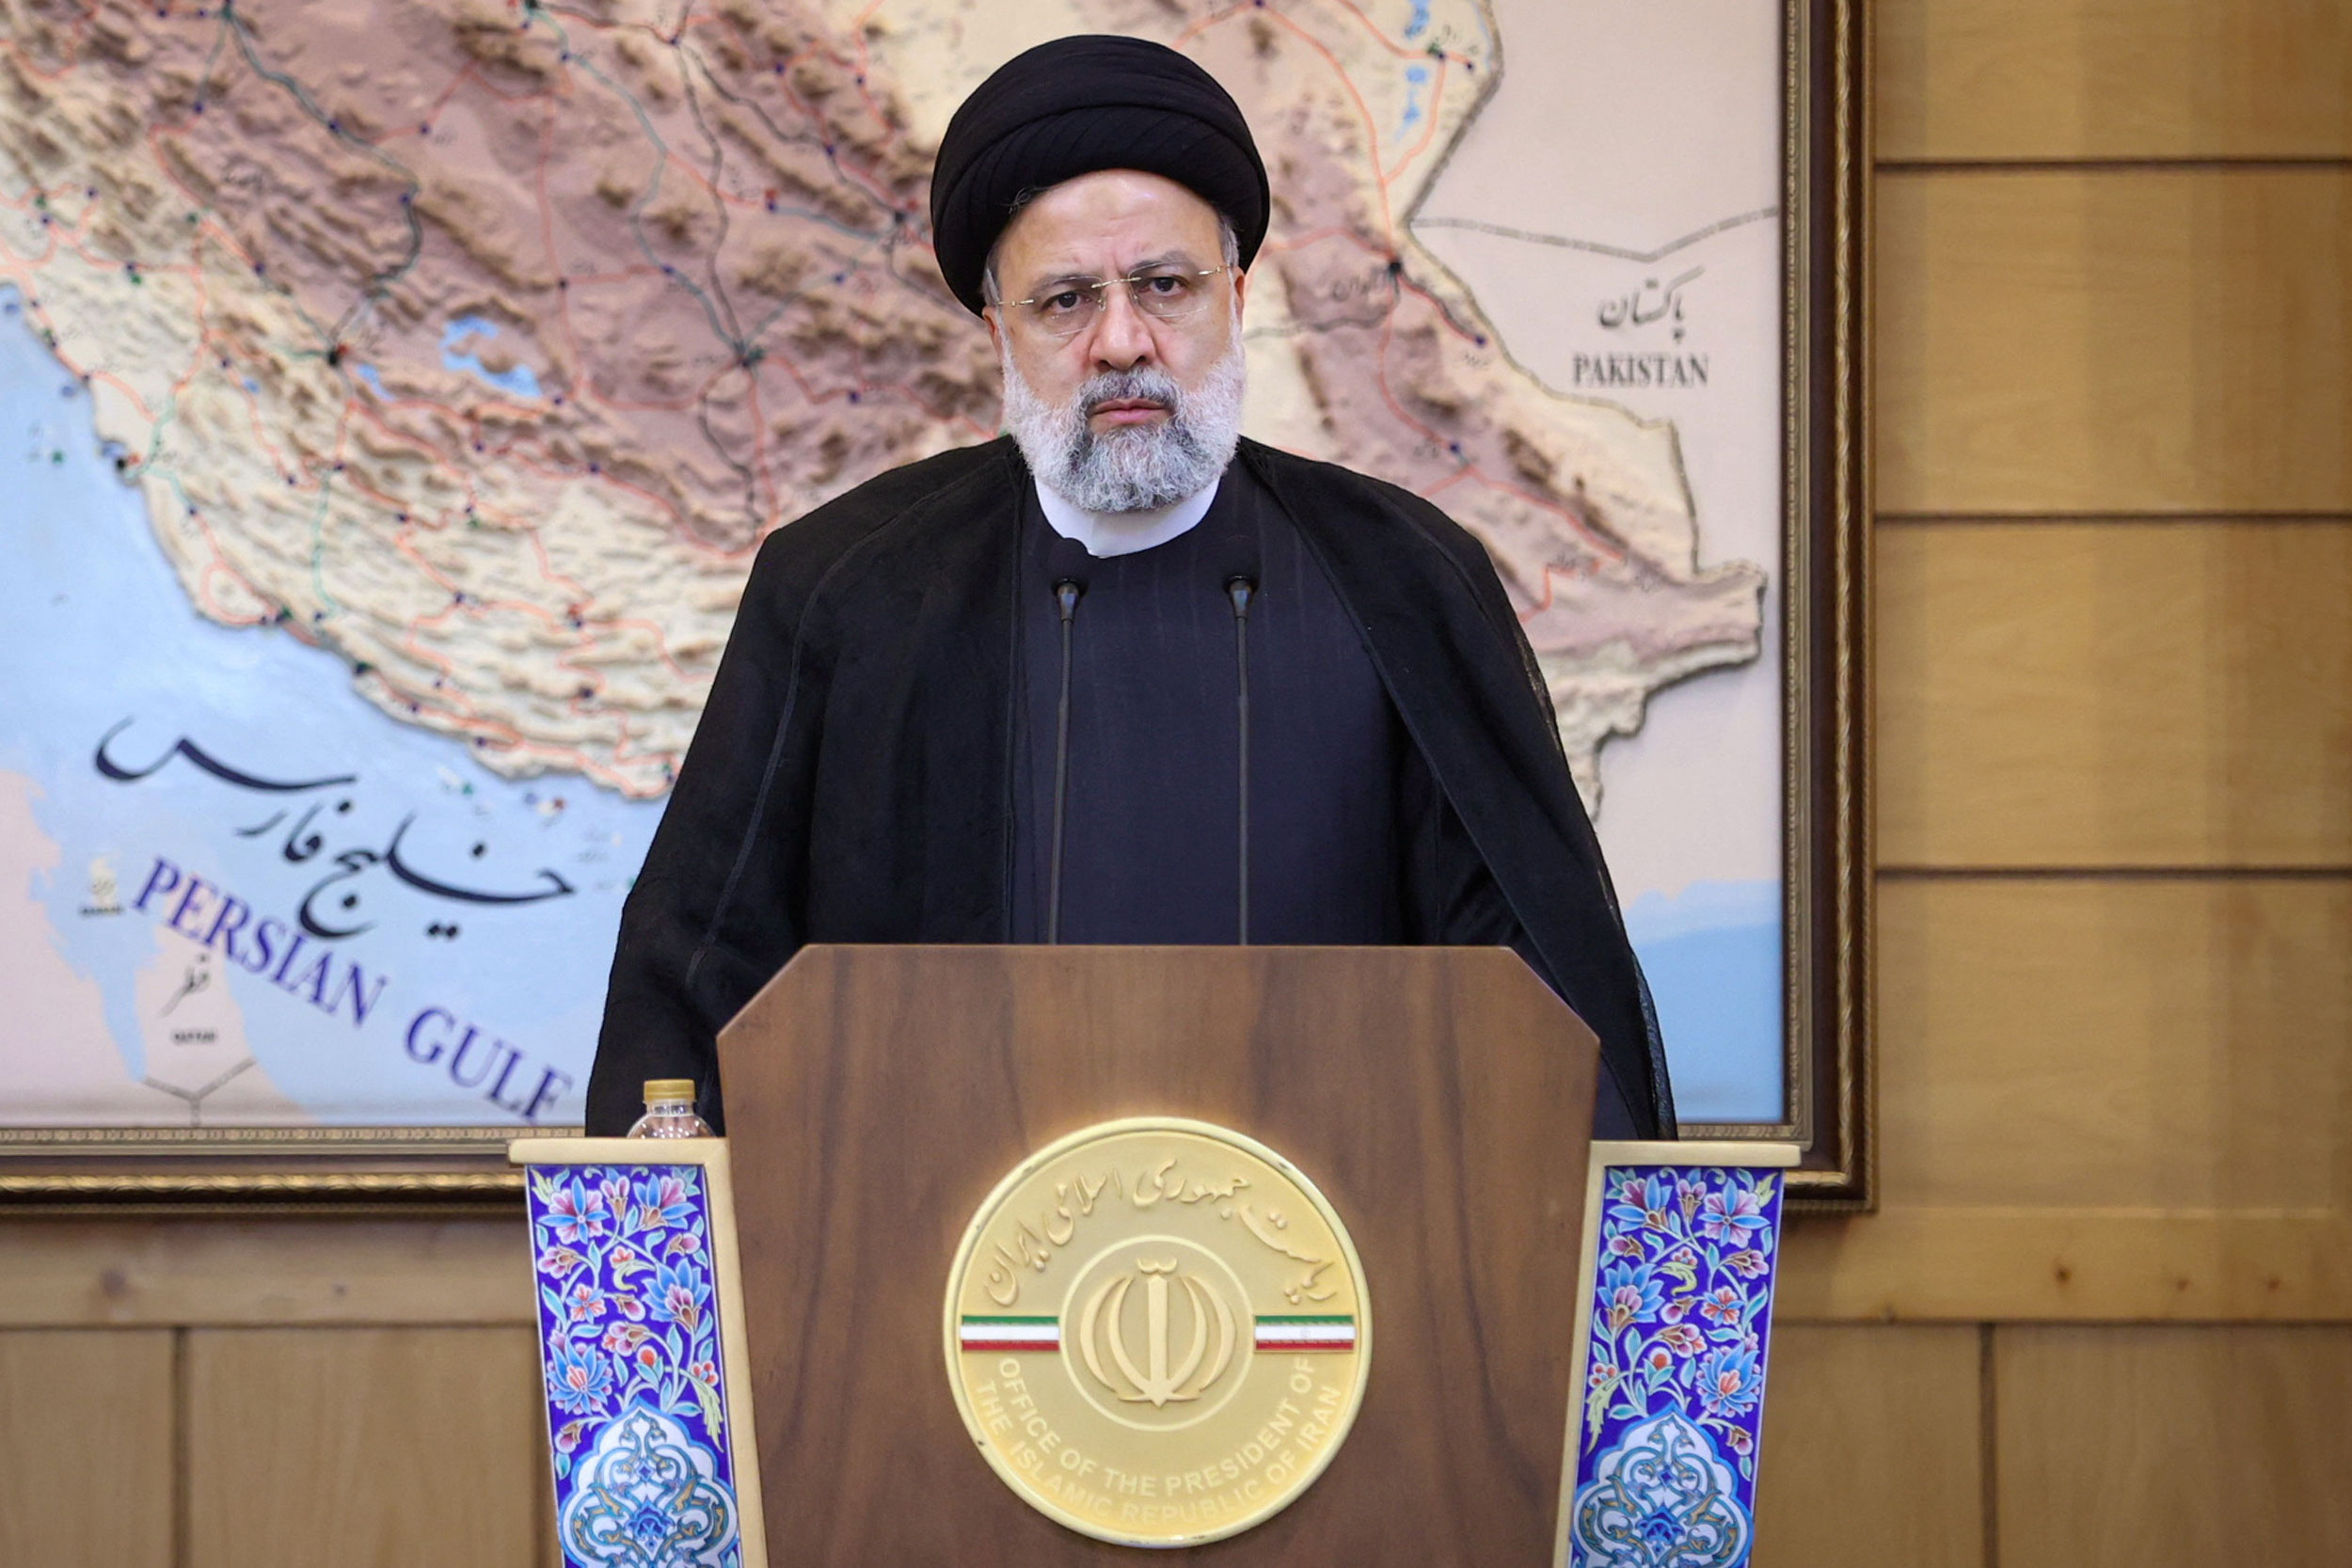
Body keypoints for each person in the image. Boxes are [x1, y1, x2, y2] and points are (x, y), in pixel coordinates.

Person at [583, 35, 1674, 1139]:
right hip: (928, 1278)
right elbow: (694, 988)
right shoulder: (846, 588)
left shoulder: (1404, 579)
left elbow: (1533, 1010)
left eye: (1163, 285)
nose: (1120, 342)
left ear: (1235, 296)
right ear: (995, 331)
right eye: (1065, 300)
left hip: (1339, 1279)